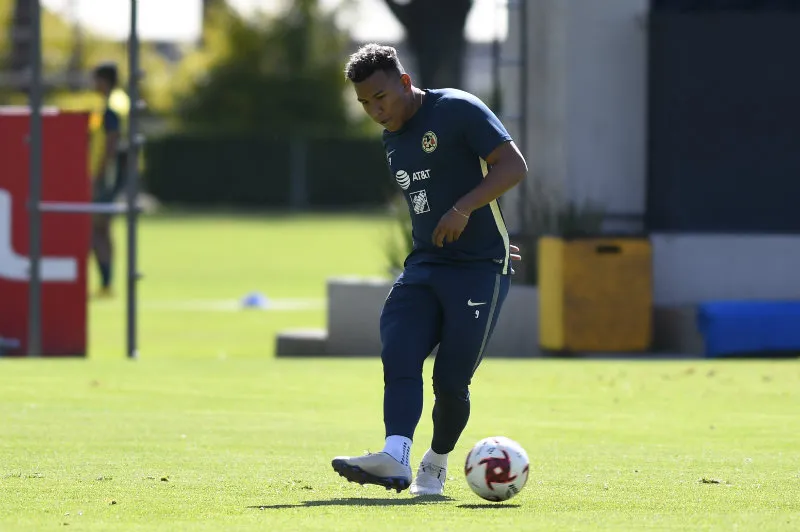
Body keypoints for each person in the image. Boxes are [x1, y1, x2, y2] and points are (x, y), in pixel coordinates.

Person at [332, 44, 528, 496]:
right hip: (424, 266)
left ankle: (434, 466)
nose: (374, 110)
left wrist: (466, 214)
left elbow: (513, 166)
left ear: (404, 82)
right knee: (399, 348)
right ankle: (394, 456)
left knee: (451, 382)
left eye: (380, 97)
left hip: (480, 270)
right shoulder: (392, 139)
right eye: (364, 103)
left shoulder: (457, 108)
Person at [88, 62, 130, 298]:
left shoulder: (112, 106)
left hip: (108, 176)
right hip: (117, 175)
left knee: (97, 229)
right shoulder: (120, 101)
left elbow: (112, 142)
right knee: (102, 229)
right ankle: (106, 282)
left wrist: (99, 174)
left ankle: (106, 283)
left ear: (103, 80)